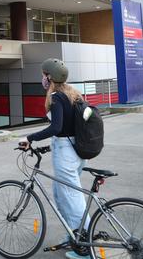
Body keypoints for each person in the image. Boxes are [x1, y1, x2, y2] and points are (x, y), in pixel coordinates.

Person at [21, 58, 88, 259]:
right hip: (76, 150)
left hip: (66, 153)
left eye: (43, 74)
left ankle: (84, 245)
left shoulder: (58, 97)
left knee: (72, 197)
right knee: (61, 195)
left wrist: (30, 138)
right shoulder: (73, 93)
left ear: (49, 77)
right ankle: (73, 234)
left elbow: (56, 128)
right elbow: (68, 128)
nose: (42, 78)